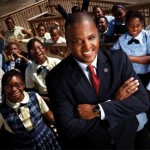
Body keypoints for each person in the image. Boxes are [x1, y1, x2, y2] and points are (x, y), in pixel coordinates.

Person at [45, 12, 150, 149]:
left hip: (125, 140)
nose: (87, 46)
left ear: (97, 34)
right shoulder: (56, 78)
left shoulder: (119, 60)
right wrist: (116, 104)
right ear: (68, 41)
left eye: (91, 37)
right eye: (78, 41)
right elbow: (67, 128)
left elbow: (142, 102)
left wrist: (98, 110)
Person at [0, 69, 60, 149]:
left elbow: (49, 115)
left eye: (17, 85)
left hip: (45, 137)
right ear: (3, 89)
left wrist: (63, 128)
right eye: (8, 87)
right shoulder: (2, 111)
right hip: (24, 145)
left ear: (24, 85)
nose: (14, 89)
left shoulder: (35, 97)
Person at [111, 10, 150, 88]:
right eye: (131, 26)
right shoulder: (122, 39)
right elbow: (113, 54)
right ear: (126, 25)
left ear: (142, 24)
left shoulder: (148, 36)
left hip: (146, 76)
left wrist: (128, 58)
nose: (135, 29)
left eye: (138, 25)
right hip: (128, 77)